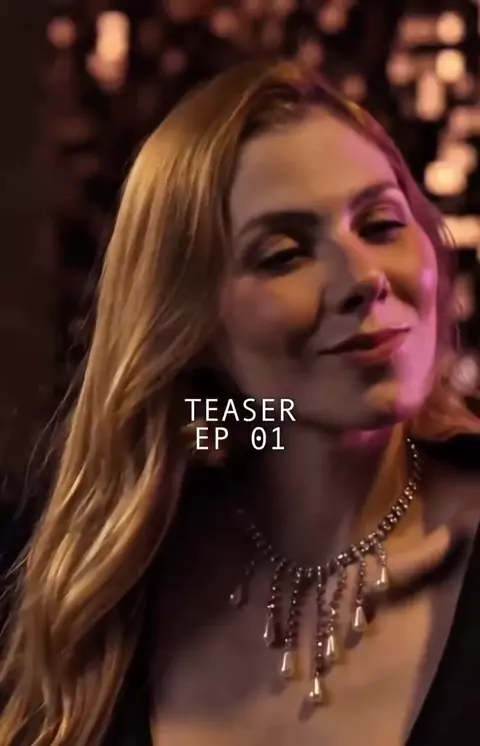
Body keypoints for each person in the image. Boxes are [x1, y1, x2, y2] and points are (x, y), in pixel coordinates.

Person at [1, 57, 480, 746]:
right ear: (189, 323)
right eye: (283, 254)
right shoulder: (100, 584)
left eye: (380, 225)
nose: (363, 277)